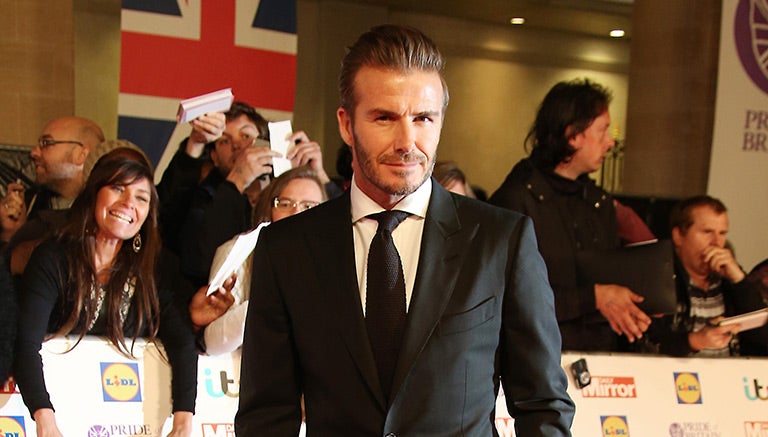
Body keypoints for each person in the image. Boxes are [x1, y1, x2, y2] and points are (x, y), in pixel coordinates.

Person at [235, 24, 574, 436]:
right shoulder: (287, 249)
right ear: (346, 124)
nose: (407, 141)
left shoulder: (501, 241)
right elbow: (265, 417)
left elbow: (542, 405)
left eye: (423, 118)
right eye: (385, 118)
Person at [14, 149, 198, 437]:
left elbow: (182, 341)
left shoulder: (155, 267)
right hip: (54, 409)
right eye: (118, 189)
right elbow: (25, 342)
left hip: (126, 420)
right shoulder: (53, 257)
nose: (128, 204)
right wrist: (44, 417)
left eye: (141, 198)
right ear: (94, 193)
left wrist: (183, 420)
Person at [489, 78, 651, 352]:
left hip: (600, 356)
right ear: (572, 135)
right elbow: (507, 297)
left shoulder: (597, 201)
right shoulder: (516, 199)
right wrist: (593, 297)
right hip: (536, 358)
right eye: (602, 131)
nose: (610, 142)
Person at [177, 102, 340, 286]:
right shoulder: (204, 195)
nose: (237, 145)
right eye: (225, 141)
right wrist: (236, 181)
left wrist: (319, 175)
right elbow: (199, 262)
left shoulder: (289, 186)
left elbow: (344, 238)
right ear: (214, 157)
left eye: (246, 136)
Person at [188, 166, 328, 355]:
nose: (296, 213)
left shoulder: (337, 261)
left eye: (309, 206)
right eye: (285, 204)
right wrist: (263, 306)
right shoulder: (239, 251)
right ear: (269, 210)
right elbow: (212, 343)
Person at [643, 196, 768, 356]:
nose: (716, 242)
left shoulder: (729, 279)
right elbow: (645, 345)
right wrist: (695, 341)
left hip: (727, 370)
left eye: (722, 233)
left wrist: (739, 280)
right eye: (707, 232)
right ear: (678, 236)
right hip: (674, 372)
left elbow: (763, 337)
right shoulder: (656, 278)